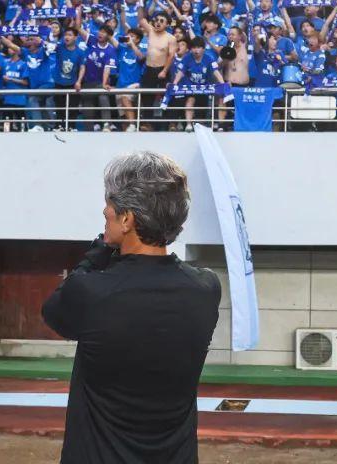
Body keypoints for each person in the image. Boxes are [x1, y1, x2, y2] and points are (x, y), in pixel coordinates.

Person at [42, 151, 220, 464]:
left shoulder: (91, 290)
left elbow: (54, 312)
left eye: (110, 204)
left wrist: (99, 250)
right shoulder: (206, 288)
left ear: (127, 219)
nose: (105, 210)